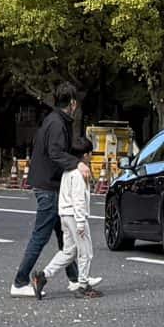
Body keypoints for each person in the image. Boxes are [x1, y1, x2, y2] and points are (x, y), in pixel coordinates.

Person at [10, 85, 84, 298]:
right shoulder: (58, 123)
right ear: (72, 103)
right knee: (41, 237)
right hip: (49, 186)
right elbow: (55, 152)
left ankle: (75, 279)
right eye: (75, 102)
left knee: (64, 235)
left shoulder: (54, 120)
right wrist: (77, 164)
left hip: (49, 184)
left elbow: (57, 149)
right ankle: (20, 281)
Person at [39, 113, 99, 298]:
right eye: (90, 154)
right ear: (86, 155)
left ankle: (43, 275)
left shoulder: (67, 170)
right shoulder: (80, 173)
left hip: (64, 214)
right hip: (75, 215)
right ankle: (83, 285)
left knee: (68, 251)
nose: (91, 158)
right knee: (85, 251)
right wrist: (81, 222)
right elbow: (79, 199)